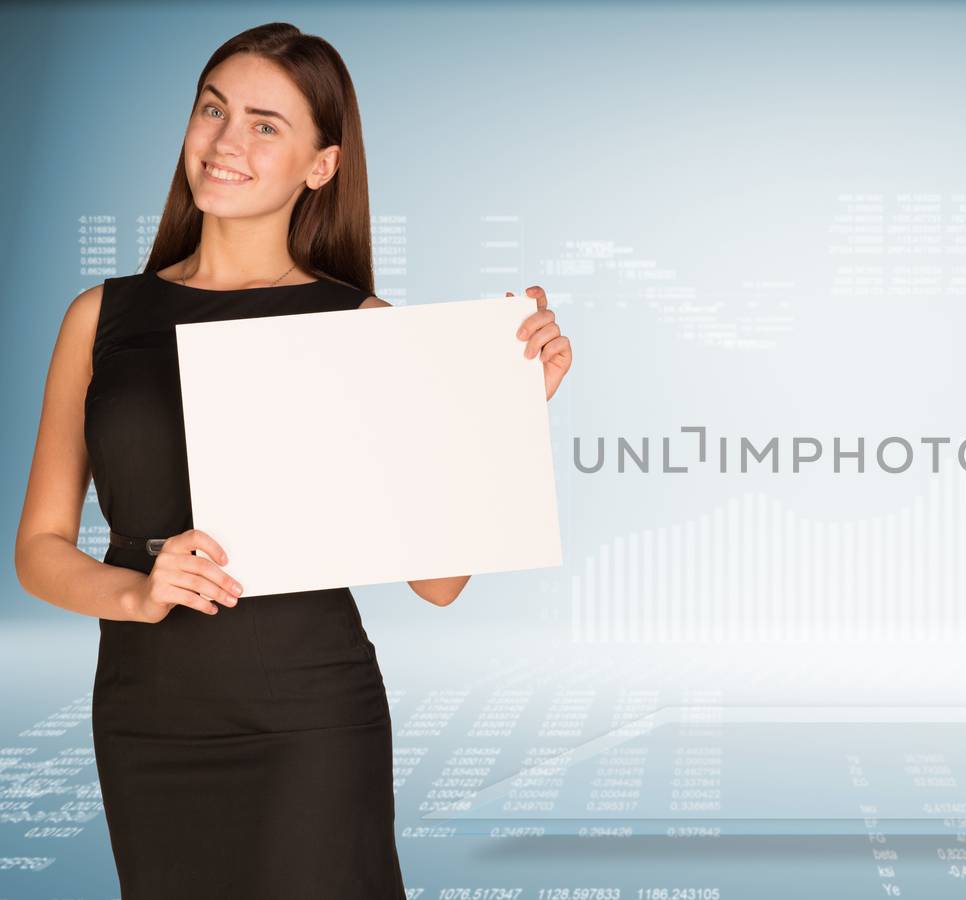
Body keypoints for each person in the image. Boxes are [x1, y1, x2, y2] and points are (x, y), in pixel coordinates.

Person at [11, 22, 573, 898]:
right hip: (144, 720)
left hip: (309, 722)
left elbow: (438, 583)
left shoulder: (364, 328)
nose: (227, 141)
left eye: (266, 124)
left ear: (322, 165)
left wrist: (501, 416)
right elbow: (40, 547)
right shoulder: (101, 317)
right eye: (212, 109)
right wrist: (137, 591)